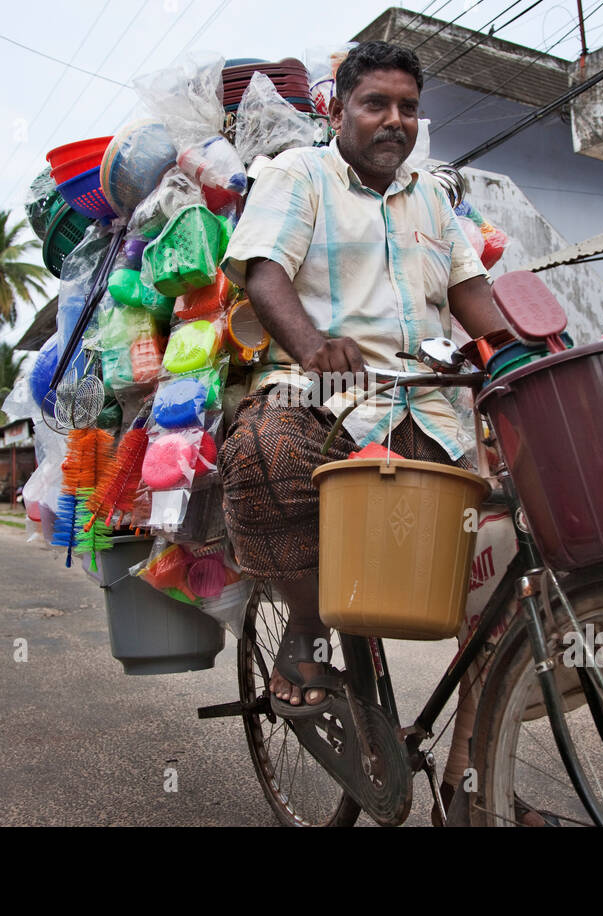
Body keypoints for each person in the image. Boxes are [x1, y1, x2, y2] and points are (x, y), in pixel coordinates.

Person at [219, 40, 509, 723]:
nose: (394, 120)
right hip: (326, 393)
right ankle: (307, 622)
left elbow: (475, 296)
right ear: (338, 109)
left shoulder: (435, 200)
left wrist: (523, 353)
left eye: (408, 107)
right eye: (375, 103)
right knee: (266, 451)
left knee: (503, 559)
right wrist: (315, 347)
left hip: (431, 406)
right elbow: (263, 272)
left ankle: (472, 776)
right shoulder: (299, 174)